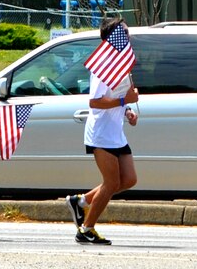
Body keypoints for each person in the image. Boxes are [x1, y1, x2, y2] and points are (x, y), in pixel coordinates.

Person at [66, 18, 138, 246]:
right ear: (114, 38)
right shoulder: (103, 67)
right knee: (110, 183)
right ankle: (86, 229)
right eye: (124, 33)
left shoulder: (121, 65)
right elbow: (96, 102)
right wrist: (123, 100)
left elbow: (119, 96)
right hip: (101, 134)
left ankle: (81, 201)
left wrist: (127, 110)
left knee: (128, 179)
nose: (128, 37)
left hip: (116, 133)